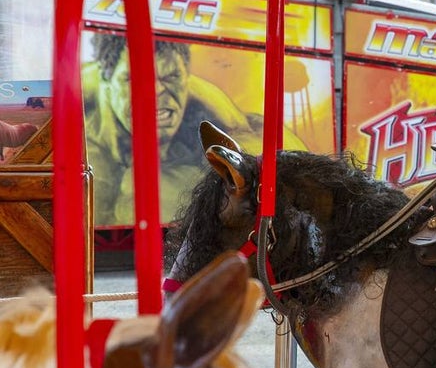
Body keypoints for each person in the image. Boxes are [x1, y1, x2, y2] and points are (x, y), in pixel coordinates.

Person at [82, 33, 303, 227]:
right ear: (107, 83)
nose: (156, 91)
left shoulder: (221, 120)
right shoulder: (87, 111)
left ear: (188, 79)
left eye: (171, 77)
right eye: (135, 78)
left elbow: (295, 169)